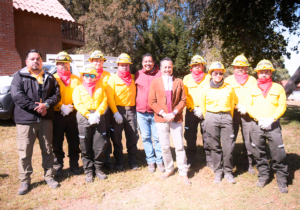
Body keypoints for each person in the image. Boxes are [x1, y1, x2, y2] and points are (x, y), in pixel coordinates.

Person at [11, 49, 61, 195]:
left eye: (38, 59)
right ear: (26, 62)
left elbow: (56, 95)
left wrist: (46, 105)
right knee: (25, 151)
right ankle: (25, 180)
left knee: (47, 149)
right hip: (26, 121)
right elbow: (17, 95)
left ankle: (49, 176)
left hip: (45, 120)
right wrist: (36, 107)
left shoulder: (49, 77)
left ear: (41, 61)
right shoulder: (19, 77)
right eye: (32, 59)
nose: (35, 61)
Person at [245, 59, 288, 193]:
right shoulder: (251, 88)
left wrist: (272, 118)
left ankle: (282, 180)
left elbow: (282, 105)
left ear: (271, 73)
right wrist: (259, 118)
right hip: (257, 124)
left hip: (273, 124)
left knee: (278, 152)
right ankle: (263, 176)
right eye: (261, 72)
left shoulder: (278, 88)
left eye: (266, 72)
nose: (264, 74)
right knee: (258, 151)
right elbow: (248, 105)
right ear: (257, 73)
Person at [148, 57, 191, 185]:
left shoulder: (179, 82)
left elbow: (183, 100)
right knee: (165, 146)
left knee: (179, 146)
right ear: (160, 68)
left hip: (175, 118)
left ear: (172, 68)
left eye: (169, 67)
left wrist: (173, 113)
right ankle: (169, 169)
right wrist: (163, 113)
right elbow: (152, 101)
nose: (167, 69)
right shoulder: (155, 82)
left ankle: (183, 172)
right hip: (161, 119)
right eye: (165, 67)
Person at [199, 62, 236, 184]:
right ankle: (218, 171)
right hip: (210, 117)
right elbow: (203, 105)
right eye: (215, 73)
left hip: (226, 116)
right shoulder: (205, 88)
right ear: (211, 74)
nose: (218, 75)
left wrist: (228, 116)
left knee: (228, 147)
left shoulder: (229, 87)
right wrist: (208, 117)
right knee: (214, 146)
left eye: (221, 73)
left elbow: (232, 104)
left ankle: (228, 171)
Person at [72, 64, 108, 182]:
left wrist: (97, 113)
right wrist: (88, 115)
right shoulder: (78, 88)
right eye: (86, 75)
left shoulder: (100, 87)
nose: (88, 77)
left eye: (91, 75)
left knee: (99, 144)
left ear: (95, 77)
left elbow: (104, 101)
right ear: (82, 76)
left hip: (98, 116)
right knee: (85, 144)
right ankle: (88, 171)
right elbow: (78, 103)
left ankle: (98, 169)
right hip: (83, 117)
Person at [225, 54, 257, 174]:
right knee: (230, 137)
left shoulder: (253, 80)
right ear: (234, 68)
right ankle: (230, 162)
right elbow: (225, 97)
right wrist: (235, 106)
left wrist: (247, 107)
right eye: (238, 67)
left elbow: (255, 96)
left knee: (248, 139)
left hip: (247, 113)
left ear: (247, 68)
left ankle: (248, 163)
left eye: (243, 67)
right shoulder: (228, 80)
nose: (240, 69)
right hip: (232, 113)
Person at [106, 53, 139, 171]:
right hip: (117, 111)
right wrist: (115, 112)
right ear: (118, 66)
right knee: (116, 138)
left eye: (126, 65)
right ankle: (119, 161)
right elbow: (109, 97)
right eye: (122, 65)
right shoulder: (112, 78)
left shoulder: (134, 78)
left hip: (131, 111)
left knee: (132, 136)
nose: (124, 67)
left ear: (129, 66)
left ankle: (132, 160)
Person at [52, 52, 81, 177]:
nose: (63, 65)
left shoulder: (76, 79)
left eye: (65, 62)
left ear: (69, 64)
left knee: (74, 141)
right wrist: (59, 106)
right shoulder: (52, 78)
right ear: (56, 65)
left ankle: (74, 165)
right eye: (60, 63)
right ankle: (58, 166)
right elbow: (49, 96)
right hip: (57, 114)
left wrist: (72, 107)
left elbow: (81, 96)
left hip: (72, 114)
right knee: (57, 141)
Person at [135, 53, 164, 173]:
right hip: (141, 112)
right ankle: (150, 161)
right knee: (146, 138)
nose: (148, 63)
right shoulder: (138, 74)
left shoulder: (160, 74)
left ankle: (160, 161)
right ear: (142, 63)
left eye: (150, 61)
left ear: (154, 63)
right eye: (145, 61)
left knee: (157, 138)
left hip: (155, 112)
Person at [183, 55, 212, 169]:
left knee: (207, 135)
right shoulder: (186, 78)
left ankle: (209, 159)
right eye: (194, 65)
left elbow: (211, 94)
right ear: (191, 67)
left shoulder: (209, 77)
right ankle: (190, 158)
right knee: (190, 136)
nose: (196, 67)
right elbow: (184, 95)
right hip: (192, 111)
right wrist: (193, 108)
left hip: (205, 111)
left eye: (198, 65)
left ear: (203, 66)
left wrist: (203, 109)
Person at [88, 50, 114, 170]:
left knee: (105, 135)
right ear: (91, 62)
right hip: (90, 111)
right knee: (92, 136)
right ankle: (93, 159)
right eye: (95, 61)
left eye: (100, 61)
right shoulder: (86, 74)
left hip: (105, 110)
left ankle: (107, 158)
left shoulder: (108, 75)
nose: (98, 63)